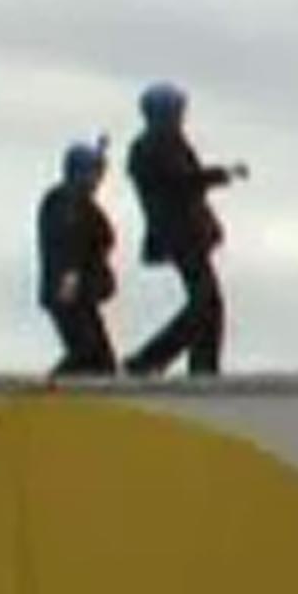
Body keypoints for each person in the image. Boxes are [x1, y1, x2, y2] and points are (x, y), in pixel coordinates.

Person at [123, 82, 247, 376]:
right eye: (177, 111)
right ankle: (149, 360)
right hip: (180, 234)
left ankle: (202, 366)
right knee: (205, 303)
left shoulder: (162, 143)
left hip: (185, 233)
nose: (182, 116)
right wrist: (223, 173)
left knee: (209, 304)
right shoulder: (155, 145)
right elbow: (182, 181)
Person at [35, 140, 117, 376]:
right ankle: (48, 390)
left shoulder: (79, 203)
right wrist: (70, 278)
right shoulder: (64, 202)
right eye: (93, 173)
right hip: (69, 291)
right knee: (85, 350)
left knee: (102, 360)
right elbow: (68, 243)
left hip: (83, 293)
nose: (98, 180)